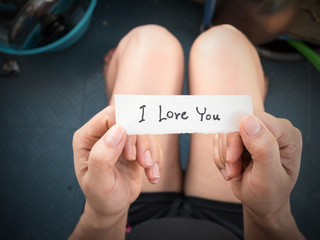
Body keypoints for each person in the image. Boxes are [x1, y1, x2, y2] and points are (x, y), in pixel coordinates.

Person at [68, 24, 305, 240]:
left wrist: (102, 217)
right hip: (244, 220)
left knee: (149, 40)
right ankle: (252, 93)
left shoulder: (113, 210)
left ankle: (115, 89)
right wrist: (270, 216)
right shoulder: (258, 212)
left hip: (125, 215)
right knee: (224, 42)